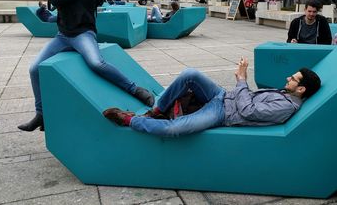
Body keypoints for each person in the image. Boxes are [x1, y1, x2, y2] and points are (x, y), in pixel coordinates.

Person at [18, 0, 154, 132]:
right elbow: (57, 3)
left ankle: (135, 90)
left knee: (96, 63)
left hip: (82, 33)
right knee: (34, 68)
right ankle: (41, 114)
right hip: (63, 35)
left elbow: (57, 0)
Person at [104, 57, 321, 137]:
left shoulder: (286, 107)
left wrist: (242, 80)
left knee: (173, 129)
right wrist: (238, 86)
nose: (288, 78)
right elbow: (248, 99)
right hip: (223, 96)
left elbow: (248, 110)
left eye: (293, 78)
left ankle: (131, 120)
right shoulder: (285, 94)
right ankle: (158, 110)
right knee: (190, 74)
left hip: (222, 113)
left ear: (301, 89)